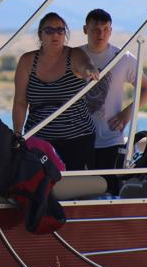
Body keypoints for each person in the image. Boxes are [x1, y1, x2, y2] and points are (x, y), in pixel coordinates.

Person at [12, 12, 99, 170]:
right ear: (40, 34)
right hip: (40, 140)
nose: (56, 35)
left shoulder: (75, 55)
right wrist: (17, 134)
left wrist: (89, 70)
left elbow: (85, 65)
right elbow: (20, 102)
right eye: (49, 30)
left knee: (75, 183)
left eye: (60, 30)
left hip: (78, 139)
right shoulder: (27, 61)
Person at [81, 9, 147, 180]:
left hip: (111, 139)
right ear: (85, 30)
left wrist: (126, 114)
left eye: (105, 29)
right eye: (95, 29)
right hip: (79, 139)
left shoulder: (123, 58)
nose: (101, 34)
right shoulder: (75, 57)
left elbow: (146, 90)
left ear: (111, 31)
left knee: (109, 189)